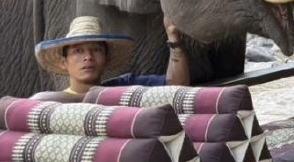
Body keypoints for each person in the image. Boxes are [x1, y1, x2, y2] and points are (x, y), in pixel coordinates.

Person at [32, 15, 190, 102]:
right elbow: (37, 101)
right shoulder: (51, 103)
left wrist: (173, 36)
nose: (88, 57)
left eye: (96, 50)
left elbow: (177, 85)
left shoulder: (124, 86)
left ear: (106, 59)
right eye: (78, 51)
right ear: (63, 63)